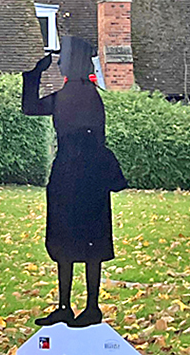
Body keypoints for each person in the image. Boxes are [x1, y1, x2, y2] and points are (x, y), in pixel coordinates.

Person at [22, 35, 127, 327]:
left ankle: (79, 306)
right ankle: (79, 306)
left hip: (74, 172)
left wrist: (34, 76)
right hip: (84, 174)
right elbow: (34, 108)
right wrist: (35, 75)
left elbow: (33, 107)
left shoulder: (74, 95)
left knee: (70, 239)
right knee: (83, 240)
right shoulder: (85, 94)